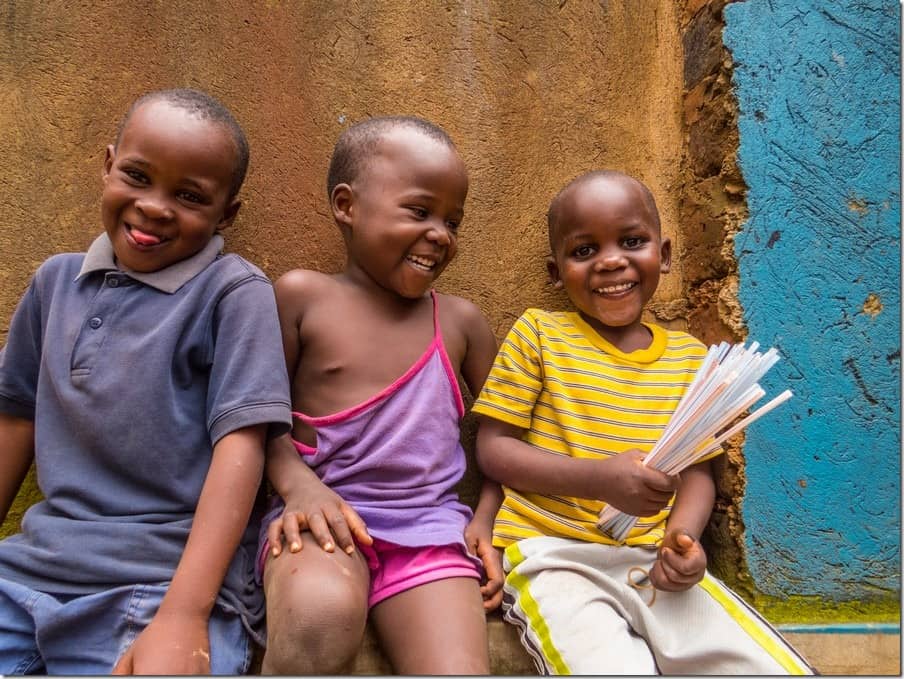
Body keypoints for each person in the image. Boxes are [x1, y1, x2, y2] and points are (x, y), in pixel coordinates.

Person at [472, 170, 815, 675]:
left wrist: (683, 541)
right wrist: (599, 479)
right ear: (555, 270)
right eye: (584, 251)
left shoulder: (690, 359)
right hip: (552, 556)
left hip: (651, 557)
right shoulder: (539, 334)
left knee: (756, 666)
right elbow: (494, 450)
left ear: (665, 254)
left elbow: (699, 472)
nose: (611, 260)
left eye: (631, 241)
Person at [0, 88, 292, 674]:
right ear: (108, 165)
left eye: (189, 196)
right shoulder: (55, 284)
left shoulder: (233, 292)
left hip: (158, 585)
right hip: (26, 571)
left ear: (225, 215)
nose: (155, 207)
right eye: (137, 175)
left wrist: (184, 615)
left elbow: (242, 447)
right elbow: (14, 420)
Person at [258, 115, 504, 675]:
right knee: (317, 620)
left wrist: (487, 519)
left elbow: (502, 441)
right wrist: (298, 488)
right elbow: (258, 418)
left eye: (453, 221)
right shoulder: (302, 298)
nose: (440, 234)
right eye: (419, 212)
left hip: (431, 531)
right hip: (321, 522)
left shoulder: (462, 324)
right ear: (346, 205)